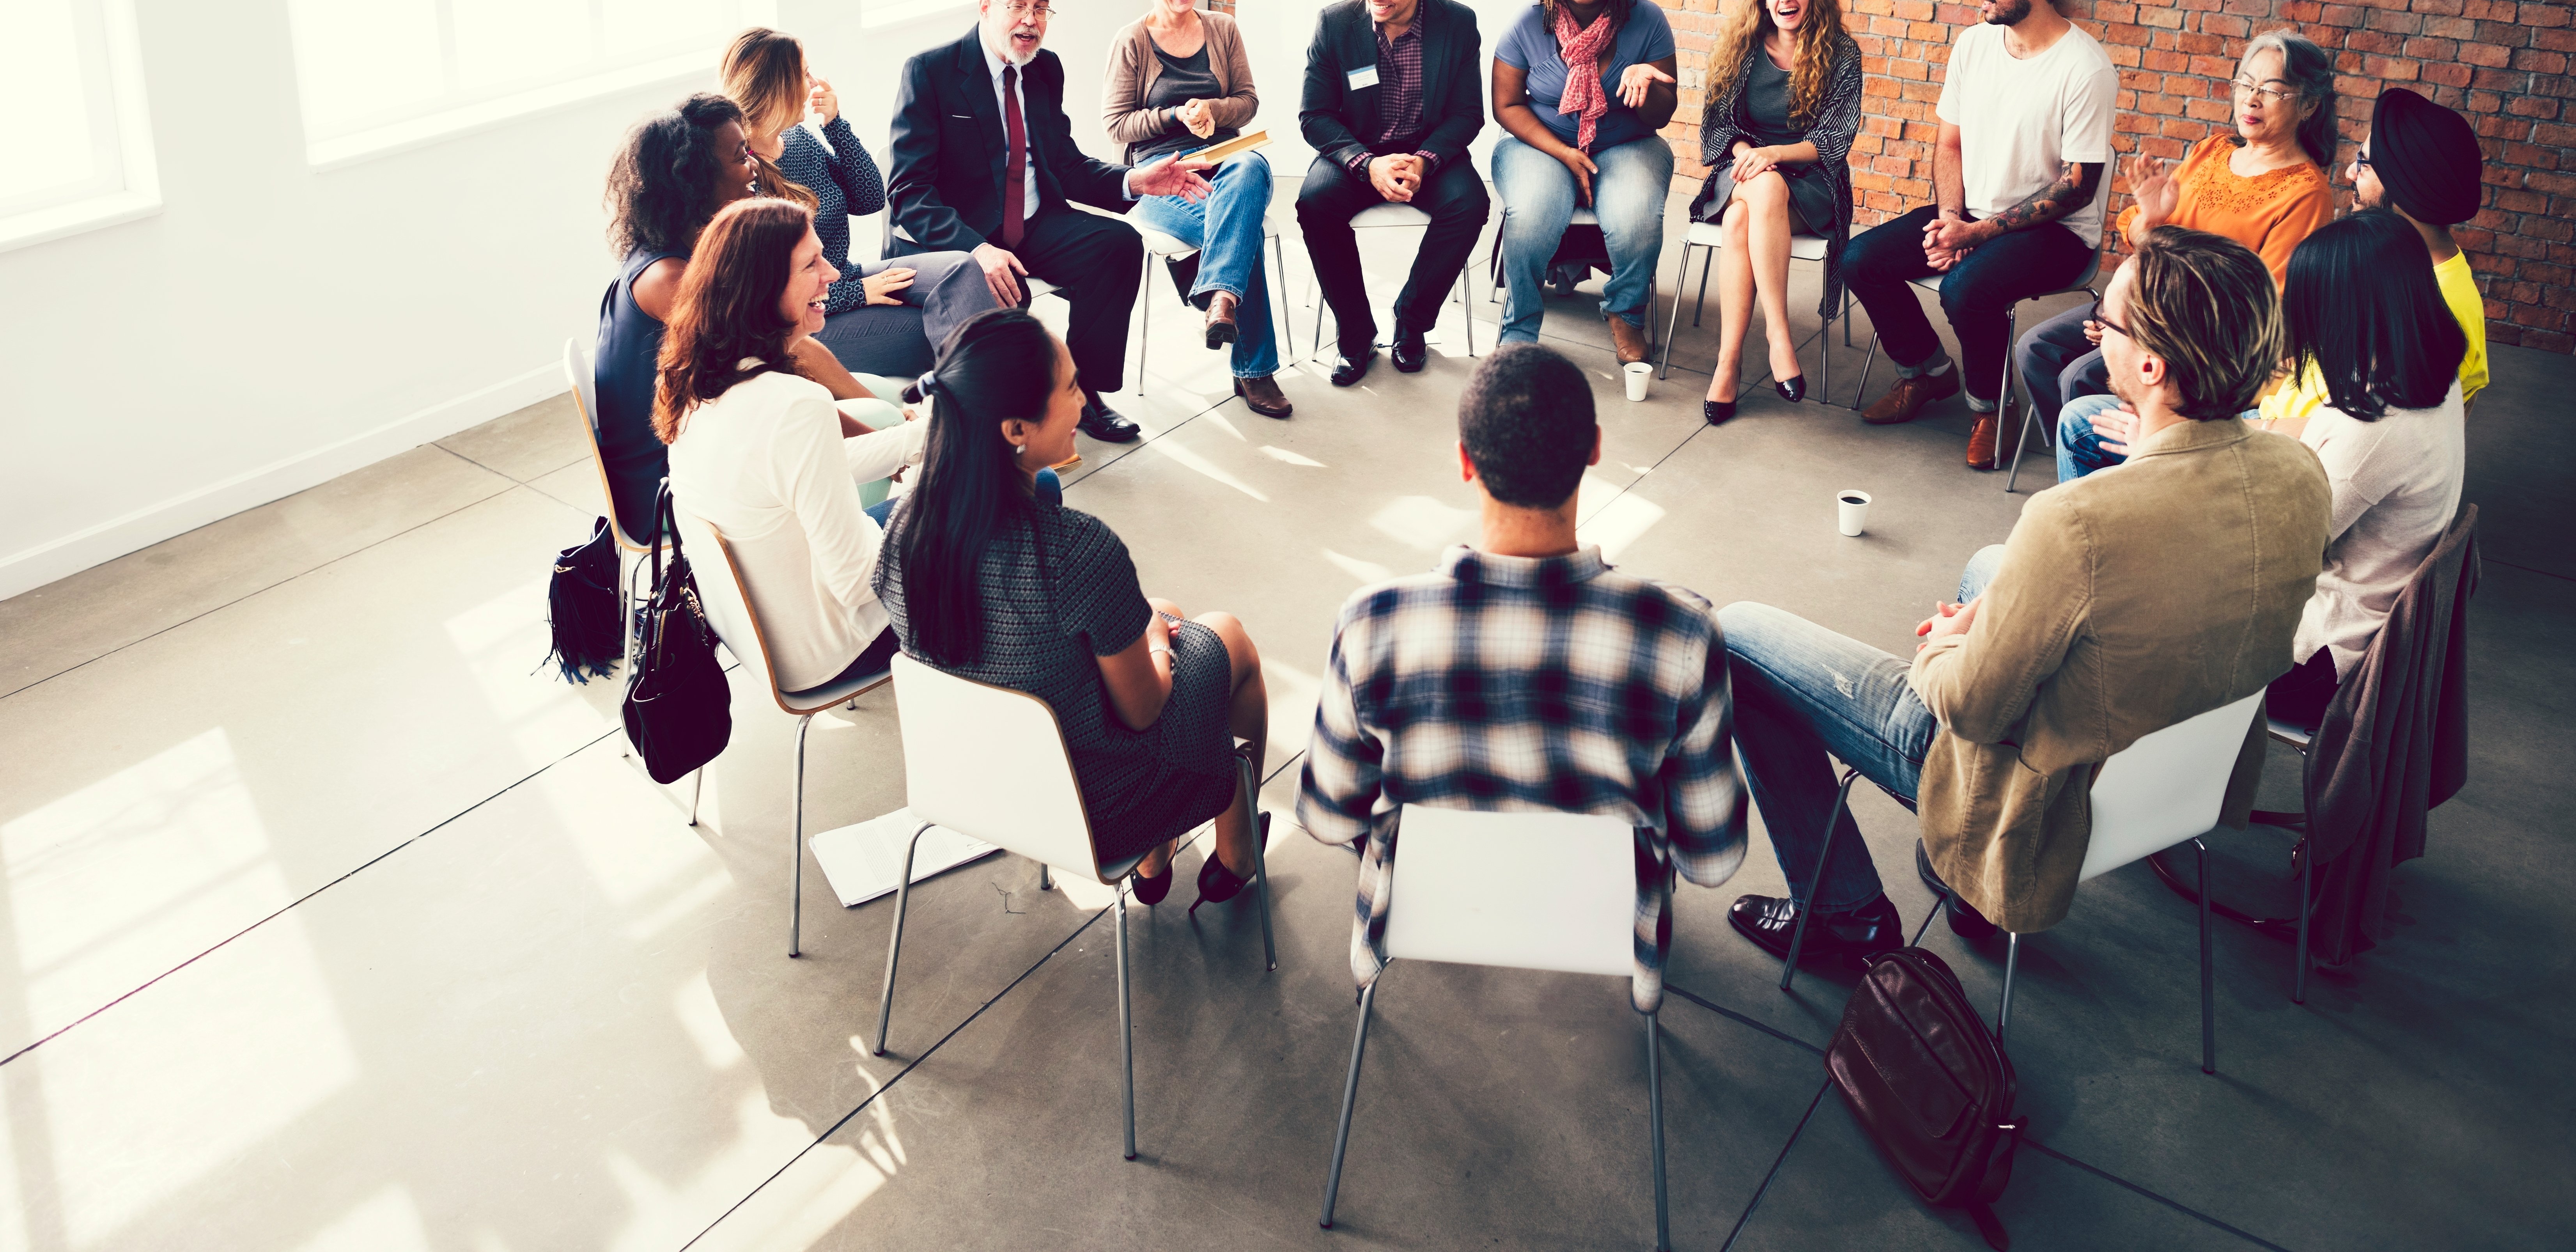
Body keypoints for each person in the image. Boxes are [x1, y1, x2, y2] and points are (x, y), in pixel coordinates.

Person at [1717, 226, 2327, 972]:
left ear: (2151, 364)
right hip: (2172, 772)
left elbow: (1970, 707)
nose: (2092, 322)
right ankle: (1965, 892)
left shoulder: (2075, 521)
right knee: (1989, 564)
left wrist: (1946, 641)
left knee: (1735, 634)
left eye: (2106, 312)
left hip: (2041, 792)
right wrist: (2142, 465)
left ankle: (1841, 911)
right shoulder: (2298, 469)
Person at [1296, 344, 1746, 1014]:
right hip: (1609, 931)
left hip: (1424, 916)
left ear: (1464, 461)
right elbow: (1711, 858)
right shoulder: (1680, 633)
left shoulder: (1372, 623)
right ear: (1595, 449)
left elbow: (1332, 817)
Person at [875, 310, 1272, 909]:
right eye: (1071, 388)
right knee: (1227, 636)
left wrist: (1152, 623)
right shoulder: (1075, 551)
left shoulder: (904, 527)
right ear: (1015, 428)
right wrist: (1160, 640)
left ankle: (1158, 855)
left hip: (978, 781)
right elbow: (1144, 713)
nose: (1086, 401)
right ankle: (1235, 851)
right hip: (1096, 804)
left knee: (1159, 608)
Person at [883, 0, 1213, 446]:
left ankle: (1083, 395)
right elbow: (909, 192)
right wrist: (977, 249)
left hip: (1033, 222)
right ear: (986, 7)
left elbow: (1064, 161)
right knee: (991, 301)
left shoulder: (1044, 69)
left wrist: (1136, 182)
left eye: (1041, 8)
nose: (1030, 20)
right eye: (1018, 6)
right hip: (964, 237)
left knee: (1117, 245)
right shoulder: (931, 72)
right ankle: (993, 423)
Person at [1842, 0, 2119, 468]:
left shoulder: (2086, 69)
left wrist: (1979, 235)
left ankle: (1993, 407)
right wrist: (1952, 219)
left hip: (2056, 233)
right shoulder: (1974, 44)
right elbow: (1950, 142)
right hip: (1972, 212)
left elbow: (2077, 186)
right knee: (1861, 259)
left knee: (1966, 289)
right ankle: (1927, 373)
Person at [598, 96, 913, 541]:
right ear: (694, 177)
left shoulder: (692, 247)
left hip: (713, 437)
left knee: (881, 400)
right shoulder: (668, 278)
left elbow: (790, 345)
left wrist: (897, 424)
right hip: (671, 492)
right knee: (876, 421)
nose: (753, 165)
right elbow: (768, 378)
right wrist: (882, 443)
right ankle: (843, 547)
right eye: (740, 155)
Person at [2018, 26, 2338, 442]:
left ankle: (2134, 470)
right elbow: (2141, 238)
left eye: (2272, 90)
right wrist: (2151, 220)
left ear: (2309, 104)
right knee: (2037, 350)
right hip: (2144, 300)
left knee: (2080, 377)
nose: (2252, 98)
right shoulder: (2213, 151)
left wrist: (2133, 324)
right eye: (2246, 83)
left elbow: (2262, 306)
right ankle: (2082, 451)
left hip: (2202, 338)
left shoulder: (2305, 193)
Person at [658, 199, 922, 693]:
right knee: (1026, 490)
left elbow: (811, 470)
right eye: (811, 265)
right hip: (831, 649)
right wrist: (917, 505)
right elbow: (856, 578)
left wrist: (919, 439)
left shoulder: (699, 377)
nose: (832, 273)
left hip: (757, 635)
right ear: (761, 288)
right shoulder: (795, 405)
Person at [2265, 211, 2468, 728]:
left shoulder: (2372, 428)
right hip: (2361, 618)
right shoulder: (2427, 373)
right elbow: (2317, 436)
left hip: (2315, 659)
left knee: (2137, 622)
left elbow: (2272, 552)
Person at [718, 27, 996, 383]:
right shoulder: (742, 175)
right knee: (957, 322)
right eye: (803, 74)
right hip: (809, 324)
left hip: (843, 276)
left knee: (962, 271)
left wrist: (835, 124)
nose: (812, 82)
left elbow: (868, 198)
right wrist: (859, 293)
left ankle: (998, 403)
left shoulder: (797, 139)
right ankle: (997, 413)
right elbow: (767, 303)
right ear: (778, 86)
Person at [1100, 0, 1290, 420]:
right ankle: (1254, 366)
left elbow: (1247, 102)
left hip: (1227, 158)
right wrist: (1172, 117)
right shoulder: (1131, 41)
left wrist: (1210, 109)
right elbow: (1116, 124)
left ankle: (1218, 297)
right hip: (1161, 172)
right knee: (1239, 227)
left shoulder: (1223, 29)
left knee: (1248, 169)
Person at [1296, 0, 1491, 386]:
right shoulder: (1335, 23)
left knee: (1469, 205)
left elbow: (1467, 114)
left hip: (1427, 148)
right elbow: (1315, 116)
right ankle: (1355, 333)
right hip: (1357, 148)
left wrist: (1424, 160)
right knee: (1314, 204)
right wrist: (1367, 164)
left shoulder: (1457, 23)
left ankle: (1412, 320)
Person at [1487, 0, 1680, 360]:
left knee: (1637, 217)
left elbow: (1664, 114)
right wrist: (1564, 153)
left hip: (1626, 142)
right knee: (1533, 212)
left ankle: (1626, 312)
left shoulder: (1646, 20)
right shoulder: (1529, 23)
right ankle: (1520, 327)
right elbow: (1507, 105)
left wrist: (1649, 83)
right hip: (1539, 142)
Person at [1689, 0, 1866, 425]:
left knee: (1743, 219)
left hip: (1810, 179)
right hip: (1742, 168)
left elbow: (1834, 137)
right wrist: (1751, 155)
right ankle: (1777, 340)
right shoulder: (1741, 46)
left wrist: (1776, 154)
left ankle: (1730, 363)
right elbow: (1717, 125)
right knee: (1760, 191)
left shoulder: (1841, 53)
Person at [2255, 87, 2491, 424]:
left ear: (2405, 185)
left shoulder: (2432, 309)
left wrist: (2246, 431)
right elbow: (2309, 371)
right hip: (2271, 416)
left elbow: (2346, 431)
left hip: (2286, 449)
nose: (2349, 172)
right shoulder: (2401, 267)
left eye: (2363, 164)